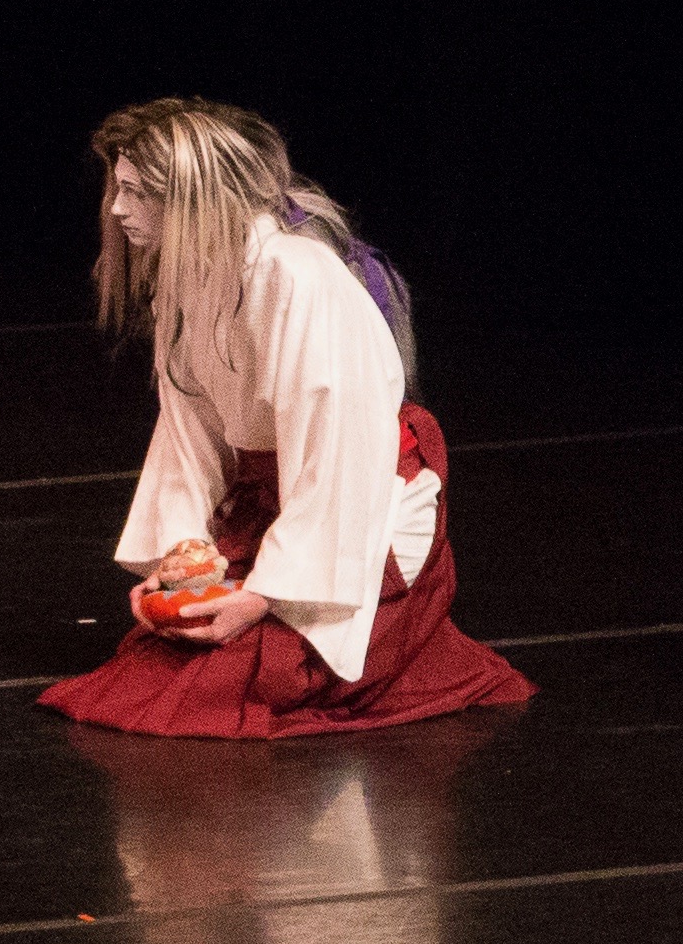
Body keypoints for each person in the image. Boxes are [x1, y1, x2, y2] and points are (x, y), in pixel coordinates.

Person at [39, 97, 531, 738]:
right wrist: (179, 563)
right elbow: (188, 440)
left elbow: (339, 455)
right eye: (118, 189)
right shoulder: (187, 277)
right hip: (277, 505)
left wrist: (263, 594)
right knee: (159, 661)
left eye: (136, 192)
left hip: (359, 509)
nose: (117, 210)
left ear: (193, 197)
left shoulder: (299, 278)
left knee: (228, 687)